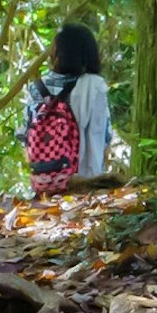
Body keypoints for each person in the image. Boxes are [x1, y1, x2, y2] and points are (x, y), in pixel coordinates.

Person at [25, 22, 113, 196]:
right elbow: (103, 137)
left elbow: (24, 137)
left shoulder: (36, 87)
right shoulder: (95, 86)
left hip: (45, 185)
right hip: (85, 184)